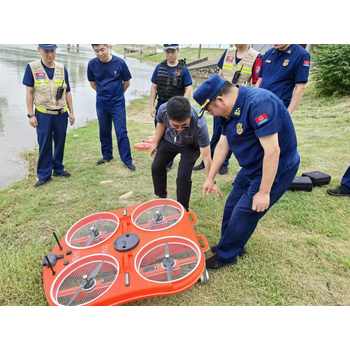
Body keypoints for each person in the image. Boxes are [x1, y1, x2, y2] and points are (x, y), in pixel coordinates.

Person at [194, 75, 300, 269]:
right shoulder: (229, 111)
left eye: (210, 110)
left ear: (219, 100)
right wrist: (210, 178)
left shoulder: (259, 104)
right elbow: (222, 145)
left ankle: (226, 255)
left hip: (277, 166)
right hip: (252, 166)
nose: (212, 115)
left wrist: (264, 192)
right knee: (231, 205)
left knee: (246, 211)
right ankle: (233, 244)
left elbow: (273, 151)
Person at [194, 45, 262, 175]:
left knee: (230, 134)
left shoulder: (256, 56)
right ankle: (207, 160)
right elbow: (219, 73)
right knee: (216, 133)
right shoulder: (228, 52)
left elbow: (256, 82)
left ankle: (223, 163)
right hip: (218, 100)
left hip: (237, 102)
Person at [23, 44, 75, 187]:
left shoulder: (62, 68)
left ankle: (58, 168)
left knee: (60, 141)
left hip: (61, 113)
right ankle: (44, 175)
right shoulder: (32, 68)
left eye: (52, 51)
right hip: (43, 114)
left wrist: (72, 112)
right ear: (39, 50)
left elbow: (68, 92)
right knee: (44, 144)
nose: (50, 54)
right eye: (46, 51)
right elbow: (29, 93)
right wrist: (30, 115)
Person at [151, 96, 211, 211]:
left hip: (190, 146)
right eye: (175, 126)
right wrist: (155, 142)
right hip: (169, 140)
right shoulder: (163, 110)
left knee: (183, 178)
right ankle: (161, 197)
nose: (179, 129)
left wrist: (210, 179)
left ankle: (183, 209)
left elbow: (207, 156)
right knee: (156, 166)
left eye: (184, 125)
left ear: (189, 117)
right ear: (168, 117)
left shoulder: (199, 124)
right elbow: (161, 124)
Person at [88, 44, 135, 171]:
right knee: (104, 130)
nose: (100, 53)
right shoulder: (92, 64)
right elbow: (92, 83)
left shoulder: (120, 63)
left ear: (108, 47)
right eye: (96, 51)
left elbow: (127, 82)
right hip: (101, 102)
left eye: (102, 50)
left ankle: (127, 160)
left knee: (121, 131)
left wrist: (118, 94)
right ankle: (107, 156)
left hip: (117, 103)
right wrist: (103, 93)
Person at [256, 44, 310, 114]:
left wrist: (288, 112)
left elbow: (300, 87)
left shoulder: (301, 54)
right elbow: (260, 80)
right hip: (260, 105)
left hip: (279, 107)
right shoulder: (269, 53)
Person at [149, 44, 193, 124]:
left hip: (177, 107)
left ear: (178, 51)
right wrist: (151, 106)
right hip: (161, 105)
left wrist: (183, 105)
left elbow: (188, 88)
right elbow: (154, 87)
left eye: (172, 51)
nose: (170, 54)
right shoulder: (159, 67)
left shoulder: (183, 69)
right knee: (160, 133)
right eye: (167, 52)